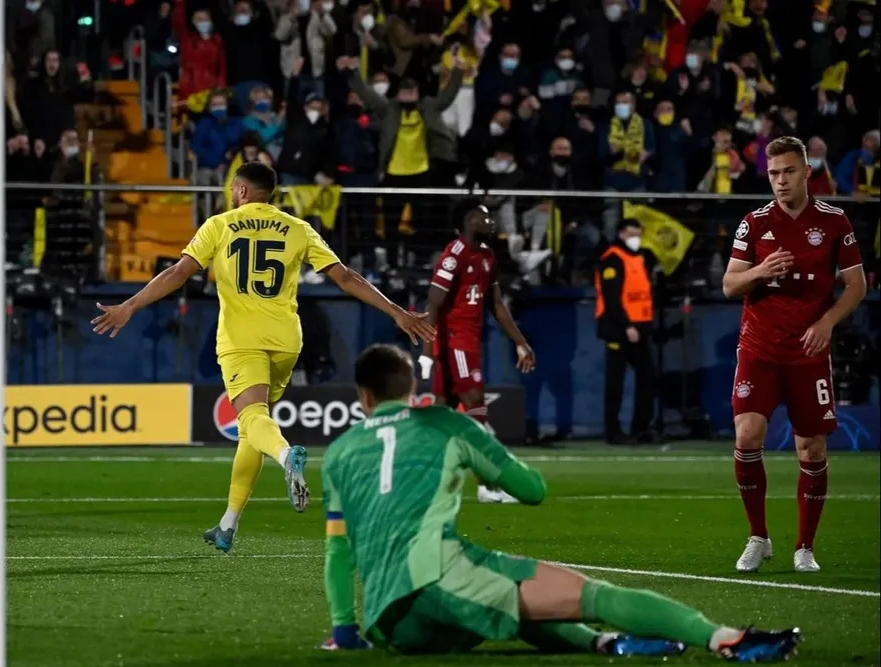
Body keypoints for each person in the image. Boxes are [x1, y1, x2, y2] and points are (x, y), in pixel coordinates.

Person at [318, 343, 801, 661]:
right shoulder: (447, 423)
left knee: (514, 600)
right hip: (439, 578)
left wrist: (344, 631)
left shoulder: (338, 452)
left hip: (394, 624)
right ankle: (727, 639)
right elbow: (532, 491)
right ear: (413, 389)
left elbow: (337, 553)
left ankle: (605, 643)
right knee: (592, 595)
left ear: (363, 395)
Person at [91, 162, 434, 552]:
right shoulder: (298, 228)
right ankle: (227, 525)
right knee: (251, 427)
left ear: (239, 190)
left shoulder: (219, 225)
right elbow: (346, 278)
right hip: (286, 341)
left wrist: (131, 306)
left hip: (242, 339)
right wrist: (397, 312)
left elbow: (178, 273)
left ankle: (287, 455)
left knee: (254, 419)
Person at [723, 136, 866, 574]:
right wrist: (761, 271)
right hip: (759, 347)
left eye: (787, 172)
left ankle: (804, 546)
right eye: (773, 174)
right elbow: (729, 284)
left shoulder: (835, 221)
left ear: (807, 172)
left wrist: (826, 323)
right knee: (747, 435)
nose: (780, 181)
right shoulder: (754, 222)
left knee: (812, 449)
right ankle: (758, 536)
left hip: (807, 351)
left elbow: (857, 285)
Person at [418, 198, 535, 504]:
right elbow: (433, 302)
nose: (491, 222)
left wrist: (520, 342)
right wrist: (428, 352)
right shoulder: (454, 255)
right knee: (476, 410)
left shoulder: (486, 256)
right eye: (485, 217)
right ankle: (488, 485)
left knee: (442, 415)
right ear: (469, 220)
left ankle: (422, 480)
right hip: (455, 341)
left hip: (469, 341)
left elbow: (496, 304)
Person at [594, 219, 657, 445]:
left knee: (647, 378)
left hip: (639, 328)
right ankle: (613, 431)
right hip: (619, 330)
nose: (636, 238)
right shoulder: (612, 259)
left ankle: (640, 428)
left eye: (638, 234)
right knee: (615, 384)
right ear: (621, 234)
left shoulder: (639, 258)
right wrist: (627, 325)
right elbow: (612, 299)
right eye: (632, 234)